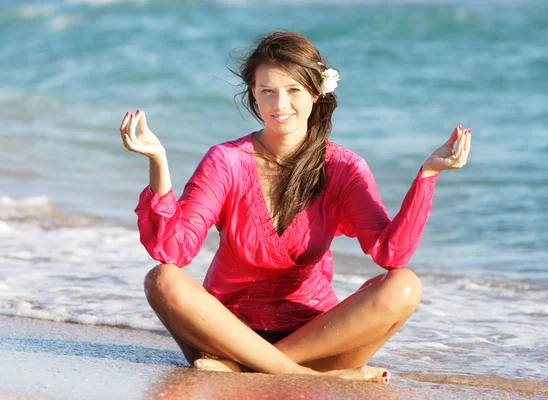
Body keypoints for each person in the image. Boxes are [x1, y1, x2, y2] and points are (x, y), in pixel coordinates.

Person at [119, 31, 471, 384]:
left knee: (404, 286)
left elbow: (391, 254)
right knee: (163, 279)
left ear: (317, 93)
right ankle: (304, 375)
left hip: (318, 338)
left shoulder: (344, 168)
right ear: (253, 94)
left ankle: (264, 369)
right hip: (225, 338)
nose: (279, 105)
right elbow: (172, 250)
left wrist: (427, 176)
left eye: (293, 90)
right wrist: (158, 162)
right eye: (267, 91)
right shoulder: (226, 161)